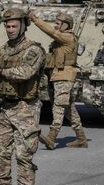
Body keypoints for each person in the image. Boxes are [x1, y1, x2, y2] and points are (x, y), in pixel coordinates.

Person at [0, 8, 45, 185]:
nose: (10, 29)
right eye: (7, 26)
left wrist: (2, 71)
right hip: (6, 109)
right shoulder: (3, 50)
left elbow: (25, 72)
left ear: (23, 26)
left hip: (26, 109)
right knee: (0, 155)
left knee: (24, 156)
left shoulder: (33, 50)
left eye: (14, 26)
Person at [30, 12, 87, 150]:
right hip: (58, 76)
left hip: (64, 76)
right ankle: (81, 139)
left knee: (58, 106)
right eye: (55, 22)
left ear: (66, 25)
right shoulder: (61, 40)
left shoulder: (67, 37)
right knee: (69, 109)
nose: (55, 25)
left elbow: (51, 32)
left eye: (58, 23)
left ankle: (51, 137)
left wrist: (35, 19)